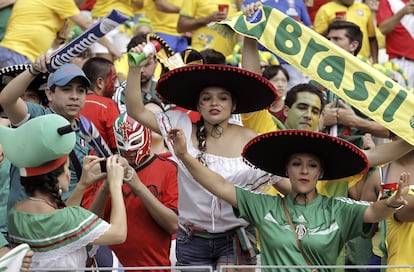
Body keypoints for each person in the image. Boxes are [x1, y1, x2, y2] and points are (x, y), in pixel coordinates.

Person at [124, 43, 278, 269]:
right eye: (207, 98)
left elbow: (281, 181)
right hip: (191, 238)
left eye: (223, 98)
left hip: (236, 239)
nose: (215, 103)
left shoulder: (250, 138)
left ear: (233, 104)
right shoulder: (179, 126)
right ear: (198, 104)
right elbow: (135, 110)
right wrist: (134, 68)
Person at [168, 127, 410, 270]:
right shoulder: (263, 205)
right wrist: (184, 155)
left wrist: (392, 202)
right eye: (297, 164)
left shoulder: (337, 208)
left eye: (312, 165)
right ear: (287, 170)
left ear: (320, 173)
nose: (304, 171)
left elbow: (373, 212)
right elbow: (220, 185)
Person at [4, 114, 127, 270]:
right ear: (56, 177)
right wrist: (116, 184)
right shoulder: (68, 219)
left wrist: (84, 184)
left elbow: (65, 224)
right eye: (67, 168)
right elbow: (119, 233)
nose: (69, 174)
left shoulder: (16, 213)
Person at [0, 58, 93, 203]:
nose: (74, 96)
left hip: (66, 221)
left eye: (80, 90)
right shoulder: (38, 117)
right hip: (29, 221)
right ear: (49, 94)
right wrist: (33, 70)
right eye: (66, 89)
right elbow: (7, 100)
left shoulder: (86, 131)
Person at [101, 112, 178, 271]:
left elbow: (173, 225)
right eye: (123, 143)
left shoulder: (167, 168)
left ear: (147, 136)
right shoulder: (108, 169)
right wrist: (105, 187)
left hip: (154, 266)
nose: (129, 149)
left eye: (135, 141)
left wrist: (139, 187)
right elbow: (90, 224)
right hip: (113, 267)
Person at [0, 0, 120, 67]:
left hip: (18, 53)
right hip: (18, 53)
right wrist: (111, 47)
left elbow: (56, 43)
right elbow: (87, 25)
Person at [242, 0, 312, 90]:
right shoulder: (251, 2)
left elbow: (309, 31)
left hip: (291, 62)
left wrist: (302, 29)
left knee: (293, 99)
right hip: (262, 63)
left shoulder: (298, 2)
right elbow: (241, 32)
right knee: (257, 93)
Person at [314, 0, 379, 63]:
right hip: (334, 60)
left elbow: (372, 37)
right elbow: (316, 39)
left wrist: (375, 61)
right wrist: (332, 26)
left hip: (362, 60)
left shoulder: (364, 8)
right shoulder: (325, 9)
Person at [80, 57, 120, 153]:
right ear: (100, 82)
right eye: (114, 80)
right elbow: (118, 147)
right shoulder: (108, 105)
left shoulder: (72, 104)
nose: (116, 85)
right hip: (103, 165)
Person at [377, 0, 414, 89]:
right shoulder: (388, 1)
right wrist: (402, 12)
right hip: (402, 62)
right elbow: (383, 29)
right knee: (402, 99)